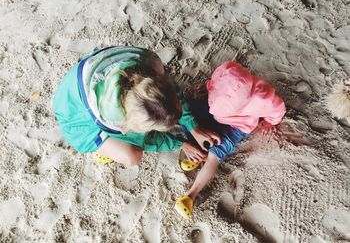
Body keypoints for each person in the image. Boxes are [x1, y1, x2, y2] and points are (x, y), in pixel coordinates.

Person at [53, 46, 219, 166]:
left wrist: (193, 128)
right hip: (75, 117)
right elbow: (146, 140)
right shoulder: (115, 119)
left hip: (82, 80)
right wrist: (180, 143)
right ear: (131, 123)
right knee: (133, 156)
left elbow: (170, 91)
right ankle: (102, 149)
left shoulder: (149, 69)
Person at [174, 61, 286, 219]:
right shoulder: (228, 71)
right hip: (214, 106)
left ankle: (191, 195)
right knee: (188, 112)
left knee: (215, 156)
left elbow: (278, 108)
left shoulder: (262, 97)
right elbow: (216, 77)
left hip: (236, 126)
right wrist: (208, 87)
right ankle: (198, 149)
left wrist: (270, 121)